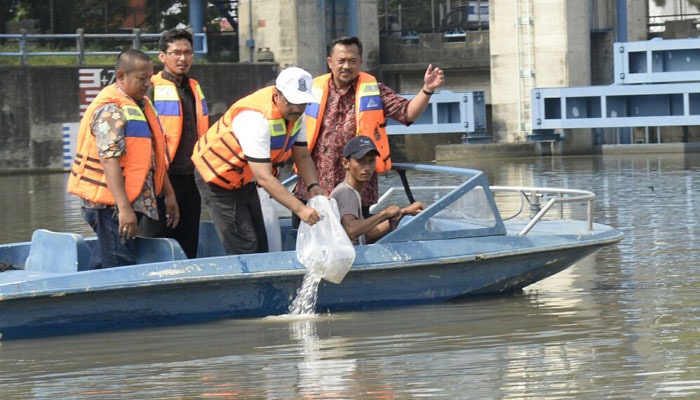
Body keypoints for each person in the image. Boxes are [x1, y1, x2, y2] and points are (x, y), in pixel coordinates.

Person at [296, 35, 444, 218]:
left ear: (360, 62)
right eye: (341, 61)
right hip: (313, 189)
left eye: (352, 61)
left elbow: (407, 113)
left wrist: (427, 89)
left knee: (355, 239)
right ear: (330, 62)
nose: (346, 66)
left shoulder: (374, 90)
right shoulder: (311, 91)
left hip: (357, 191)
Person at [191, 66, 327, 255]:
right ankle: (243, 282)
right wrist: (301, 210)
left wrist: (314, 186)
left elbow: (302, 155)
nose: (297, 108)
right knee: (245, 244)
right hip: (217, 177)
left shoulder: (297, 115)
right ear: (277, 95)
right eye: (291, 101)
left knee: (261, 241)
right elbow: (264, 177)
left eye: (303, 102)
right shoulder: (255, 119)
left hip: (244, 178)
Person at [67, 49, 180, 269]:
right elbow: (110, 160)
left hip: (126, 202)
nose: (147, 83)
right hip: (109, 205)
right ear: (121, 76)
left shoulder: (142, 106)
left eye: (149, 78)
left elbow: (153, 157)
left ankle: (90, 298)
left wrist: (169, 194)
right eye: (141, 79)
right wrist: (125, 209)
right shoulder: (110, 111)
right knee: (120, 262)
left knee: (106, 259)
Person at [139, 28, 209, 259]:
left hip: (191, 176)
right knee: (154, 236)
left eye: (188, 52)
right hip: (160, 178)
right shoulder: (151, 88)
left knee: (189, 238)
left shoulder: (194, 88)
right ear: (162, 56)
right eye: (176, 52)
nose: (183, 58)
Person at [331, 136, 424, 245]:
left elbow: (365, 236)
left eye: (371, 161)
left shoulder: (347, 190)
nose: (367, 168)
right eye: (361, 161)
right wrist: (384, 214)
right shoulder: (347, 193)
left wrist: (402, 212)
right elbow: (351, 230)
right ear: (345, 163)